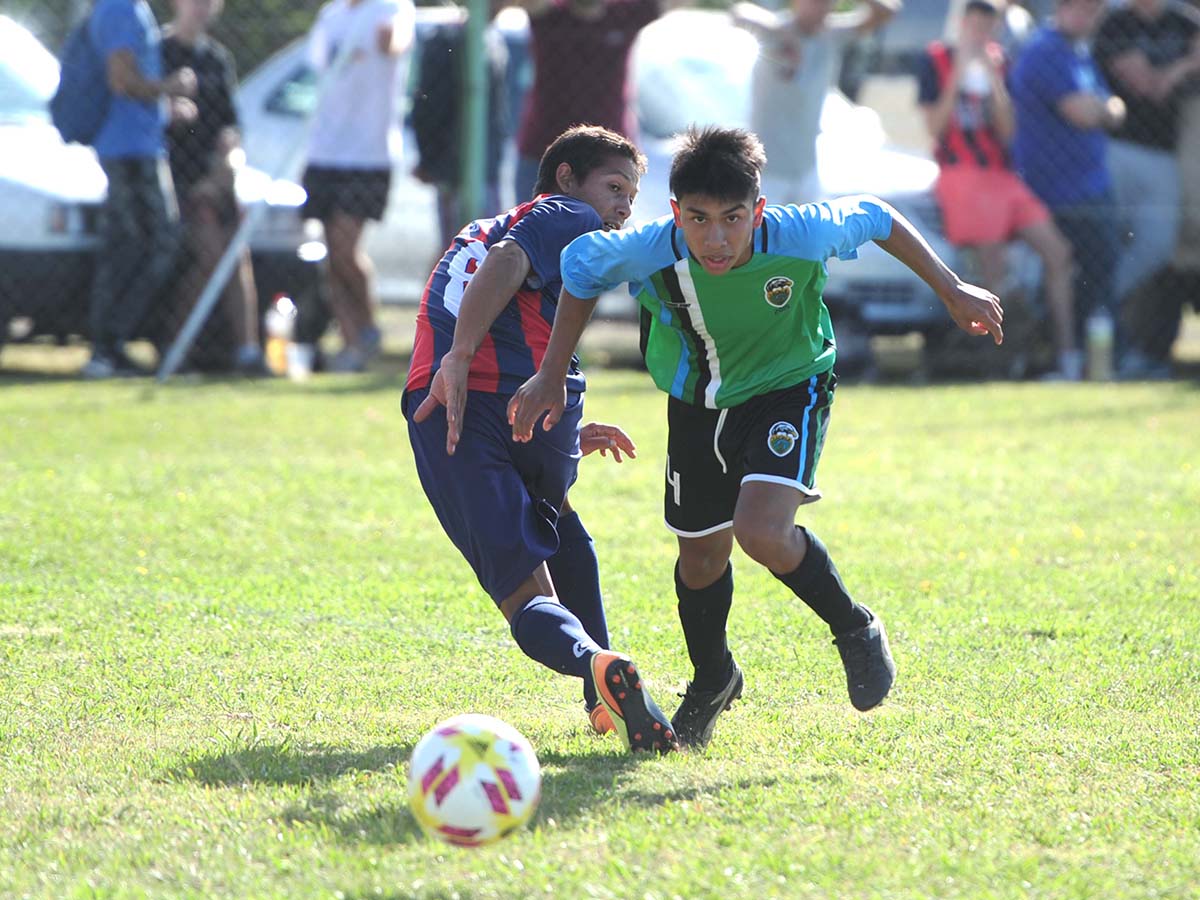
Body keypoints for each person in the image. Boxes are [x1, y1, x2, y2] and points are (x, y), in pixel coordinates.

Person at [509, 126, 1004, 749]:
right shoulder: (647, 249)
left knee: (762, 532)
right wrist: (551, 374)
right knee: (699, 558)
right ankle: (714, 677)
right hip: (696, 406)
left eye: (732, 219)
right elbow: (580, 272)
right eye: (698, 219)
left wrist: (951, 289)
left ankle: (854, 629)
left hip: (789, 386)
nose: (715, 239)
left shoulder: (802, 233)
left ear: (759, 212)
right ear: (675, 213)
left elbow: (877, 216)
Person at [403, 125, 678, 754]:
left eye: (630, 196)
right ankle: (603, 696)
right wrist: (465, 358)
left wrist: (455, 357)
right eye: (613, 187)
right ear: (563, 179)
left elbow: (502, 276)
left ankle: (594, 668)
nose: (619, 207)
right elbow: (509, 269)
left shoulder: (481, 229)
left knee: (527, 594)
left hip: (456, 405)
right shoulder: (564, 214)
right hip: (504, 402)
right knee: (563, 530)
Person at [918, 0, 1080, 379]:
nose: (978, 33)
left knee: (1058, 253)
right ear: (960, 24)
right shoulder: (936, 59)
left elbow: (1008, 133)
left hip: (1000, 176)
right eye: (972, 24)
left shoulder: (1001, 62)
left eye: (986, 26)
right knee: (994, 267)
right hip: (961, 174)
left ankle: (1068, 356)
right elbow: (935, 128)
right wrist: (959, 74)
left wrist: (991, 78)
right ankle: (1000, 363)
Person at [1009, 0, 1127, 374]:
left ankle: (1096, 361)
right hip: (1061, 190)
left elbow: (1114, 106)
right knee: (1089, 276)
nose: (1087, 16)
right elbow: (1083, 112)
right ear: (1061, 8)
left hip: (1091, 183)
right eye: (1079, 7)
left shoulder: (1078, 51)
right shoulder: (1046, 51)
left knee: (1101, 272)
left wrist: (1104, 109)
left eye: (1094, 10)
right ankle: (1073, 359)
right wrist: (1105, 110)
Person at [83, 0, 196, 379]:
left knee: (142, 245)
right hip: (129, 151)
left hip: (139, 146)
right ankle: (108, 345)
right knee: (144, 245)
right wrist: (170, 87)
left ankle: (114, 344)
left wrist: (165, 106)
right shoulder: (119, 9)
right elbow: (121, 80)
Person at [301, 0, 415, 372]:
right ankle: (351, 343)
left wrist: (389, 41)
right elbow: (317, 67)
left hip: (368, 155)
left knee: (345, 244)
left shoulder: (390, 9)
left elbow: (396, 43)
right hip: (324, 151)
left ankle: (368, 327)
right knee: (331, 253)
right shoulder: (331, 16)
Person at [1094, 0, 1200, 378]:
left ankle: (1103, 302)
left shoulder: (1183, 21)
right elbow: (1147, 86)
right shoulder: (1116, 24)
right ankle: (1099, 309)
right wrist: (1185, 65)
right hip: (1118, 149)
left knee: (1157, 245)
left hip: (1164, 156)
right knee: (1109, 237)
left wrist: (1175, 70)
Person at [162, 0, 265, 375]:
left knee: (237, 259)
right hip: (177, 178)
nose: (203, 7)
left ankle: (248, 352)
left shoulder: (216, 59)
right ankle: (174, 348)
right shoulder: (161, 52)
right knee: (211, 257)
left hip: (217, 178)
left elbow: (230, 129)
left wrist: (224, 169)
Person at [732, 0, 900, 205]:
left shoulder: (831, 35)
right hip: (767, 172)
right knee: (766, 235)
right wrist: (781, 31)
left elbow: (887, 12)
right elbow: (739, 12)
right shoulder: (773, 30)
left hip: (806, 171)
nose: (821, 7)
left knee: (815, 234)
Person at [510, 0, 663, 204]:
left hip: (609, 159)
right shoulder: (549, 15)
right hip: (543, 155)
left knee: (603, 234)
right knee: (532, 231)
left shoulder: (625, 15)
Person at [411, 2, 509, 250]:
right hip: (454, 169)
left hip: (487, 169)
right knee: (459, 250)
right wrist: (429, 159)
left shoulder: (494, 39)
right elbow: (428, 104)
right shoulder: (448, 39)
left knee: (484, 248)